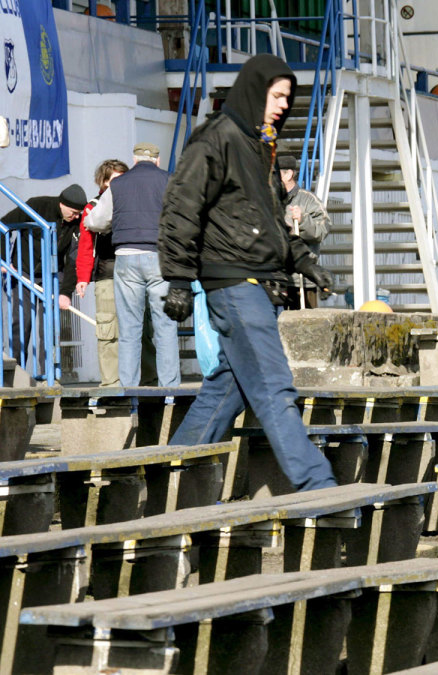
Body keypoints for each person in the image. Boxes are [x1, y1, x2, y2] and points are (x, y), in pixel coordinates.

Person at [158, 54, 338, 492]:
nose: (282, 104)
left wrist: (304, 261)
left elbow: (272, 218)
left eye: (287, 97)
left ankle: (168, 483)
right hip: (234, 282)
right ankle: (317, 485)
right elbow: (181, 208)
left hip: (258, 280)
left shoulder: (261, 144)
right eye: (276, 95)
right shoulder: (215, 139)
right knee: (275, 386)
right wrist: (179, 278)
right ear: (255, 90)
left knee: (227, 389)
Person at [86, 142, 179, 387]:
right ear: (158, 161)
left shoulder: (117, 185)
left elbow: (94, 221)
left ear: (134, 160)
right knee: (165, 326)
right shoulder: (169, 180)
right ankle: (170, 388)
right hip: (160, 256)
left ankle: (128, 387)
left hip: (125, 258)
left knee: (129, 327)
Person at [1, 184, 87, 361]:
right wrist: (4, 260)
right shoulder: (36, 205)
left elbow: (73, 259)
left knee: (50, 327)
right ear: (62, 204)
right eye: (73, 212)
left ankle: (48, 378)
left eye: (79, 213)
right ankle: (16, 371)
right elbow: (3, 226)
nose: (76, 217)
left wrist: (65, 293)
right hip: (23, 274)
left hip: (53, 276)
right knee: (22, 323)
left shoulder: (77, 222)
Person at [77, 159, 132, 387]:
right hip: (107, 272)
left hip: (133, 271)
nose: (119, 185)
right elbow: (85, 246)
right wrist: (82, 278)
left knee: (141, 328)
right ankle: (110, 382)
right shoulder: (92, 206)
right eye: (114, 180)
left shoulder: (134, 200)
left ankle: (147, 380)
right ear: (103, 181)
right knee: (108, 329)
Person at [276, 155, 331, 309]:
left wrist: (303, 221)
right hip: (276, 280)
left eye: (276, 173)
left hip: (302, 280)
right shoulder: (270, 199)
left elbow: (322, 231)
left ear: (288, 174)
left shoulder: (309, 200)